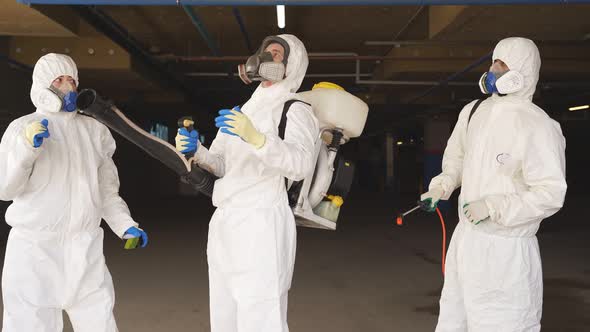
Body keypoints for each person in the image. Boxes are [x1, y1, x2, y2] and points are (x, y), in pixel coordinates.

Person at [420, 37, 567, 331]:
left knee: (504, 323)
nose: (493, 70)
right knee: (453, 320)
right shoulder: (474, 111)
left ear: (522, 72)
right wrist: (443, 185)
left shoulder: (538, 125)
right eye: (493, 62)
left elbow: (550, 193)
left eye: (503, 65)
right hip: (466, 241)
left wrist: (494, 207)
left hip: (506, 253)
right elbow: (458, 157)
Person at [176, 34, 319, 332]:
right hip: (225, 223)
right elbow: (221, 164)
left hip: (262, 222)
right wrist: (196, 150)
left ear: (292, 65)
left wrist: (257, 139)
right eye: (265, 52)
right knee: (224, 313)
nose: (267, 58)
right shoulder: (242, 111)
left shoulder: (296, 109)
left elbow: (301, 164)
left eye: (277, 54)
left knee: (261, 315)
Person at [0, 53, 148, 332]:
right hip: (34, 249)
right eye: (59, 80)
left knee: (99, 321)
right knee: (29, 325)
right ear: (43, 86)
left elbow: (106, 191)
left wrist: (125, 225)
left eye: (72, 80)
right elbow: (5, 188)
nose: (68, 87)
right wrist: (25, 150)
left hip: (84, 248)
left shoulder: (95, 131)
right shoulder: (21, 128)